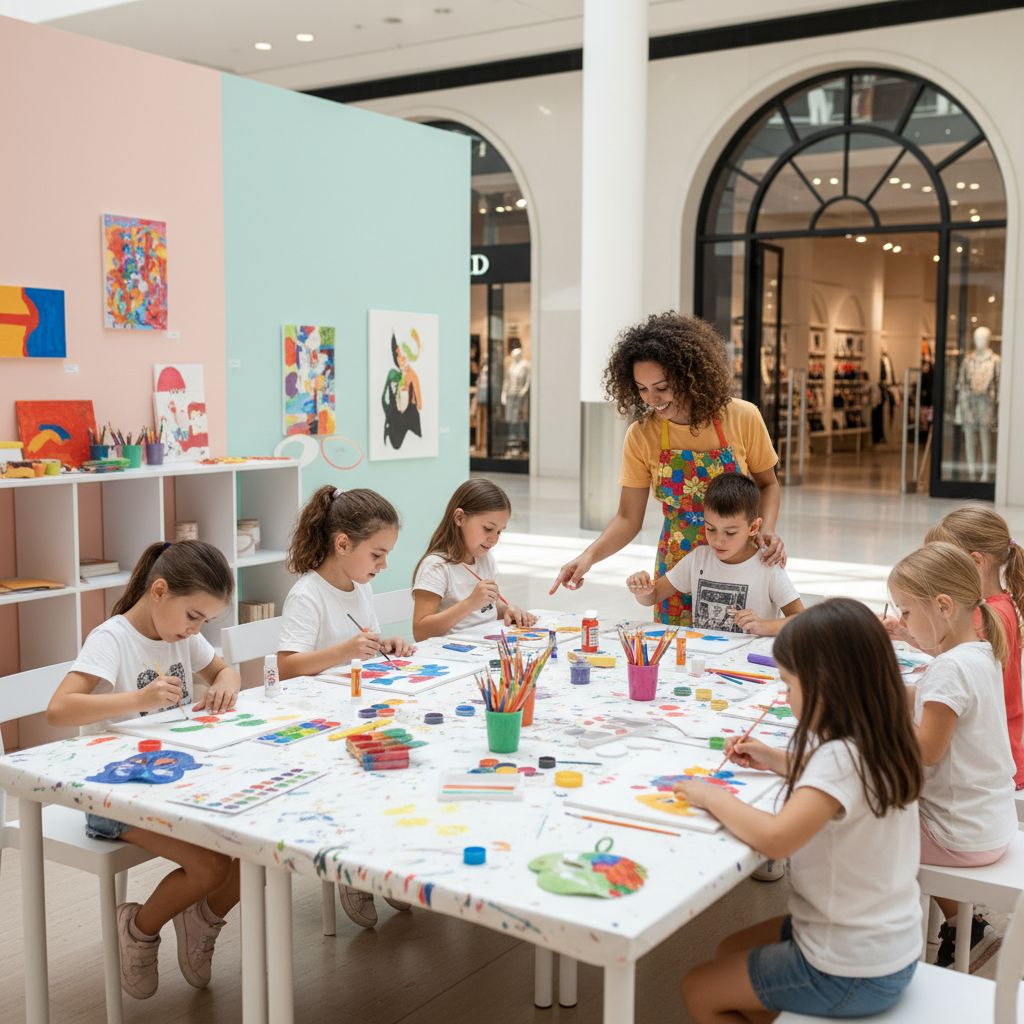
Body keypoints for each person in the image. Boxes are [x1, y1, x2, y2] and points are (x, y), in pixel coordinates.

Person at [676, 599, 923, 1021]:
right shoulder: (883, 739)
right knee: (730, 950)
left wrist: (711, 796)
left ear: (824, 686)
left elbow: (777, 838)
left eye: (788, 685)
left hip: (847, 966)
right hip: (889, 944)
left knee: (699, 988)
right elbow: (842, 786)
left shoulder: (839, 759)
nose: (785, 696)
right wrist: (774, 759)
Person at [47, 541, 241, 1000]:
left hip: (175, 781)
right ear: (159, 591)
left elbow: (225, 671)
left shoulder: (183, 636)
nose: (197, 630)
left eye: (206, 622)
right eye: (193, 616)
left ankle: (200, 920)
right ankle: (138, 928)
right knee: (211, 865)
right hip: (112, 795)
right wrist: (138, 699)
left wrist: (225, 686)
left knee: (252, 850)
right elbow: (58, 709)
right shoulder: (111, 638)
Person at [551, 312, 784, 625]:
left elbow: (768, 484)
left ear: (690, 375)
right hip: (677, 567)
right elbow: (627, 517)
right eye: (642, 389)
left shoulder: (742, 417)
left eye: (661, 386)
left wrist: (766, 529)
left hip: (740, 561)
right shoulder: (642, 435)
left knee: (739, 644)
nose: (653, 399)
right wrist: (588, 557)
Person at [276, 486, 415, 929]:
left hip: (354, 707)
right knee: (365, 778)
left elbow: (365, 647)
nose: (383, 565)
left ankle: (380, 858)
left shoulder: (359, 588)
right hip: (315, 722)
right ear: (342, 544)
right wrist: (345, 651)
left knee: (399, 767)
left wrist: (383, 645)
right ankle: (354, 872)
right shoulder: (308, 594)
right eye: (377, 554)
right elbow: (288, 666)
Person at [888, 542, 1017, 968]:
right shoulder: (980, 652)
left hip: (959, 836)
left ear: (943, 606)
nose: (904, 623)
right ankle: (964, 923)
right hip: (991, 823)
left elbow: (926, 750)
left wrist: (875, 732)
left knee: (869, 818)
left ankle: (874, 935)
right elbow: (930, 700)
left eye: (906, 613)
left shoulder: (949, 668)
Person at [626, 473, 804, 636]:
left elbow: (802, 620)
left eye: (730, 533)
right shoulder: (698, 559)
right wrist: (643, 591)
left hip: (748, 664)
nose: (718, 541)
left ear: (753, 528)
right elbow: (654, 596)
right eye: (711, 529)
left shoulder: (767, 566)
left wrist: (764, 626)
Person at [925, 506, 1024, 790]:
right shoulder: (999, 604)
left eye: (942, 568)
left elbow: (955, 658)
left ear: (975, 562)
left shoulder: (985, 615)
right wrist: (910, 635)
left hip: (989, 761)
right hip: (1003, 746)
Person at [412, 478, 535, 641]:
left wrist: (507, 610)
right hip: (450, 655)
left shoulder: (484, 559)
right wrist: (470, 603)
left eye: (499, 532)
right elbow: (420, 632)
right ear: (459, 518)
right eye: (488, 529)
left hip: (483, 649)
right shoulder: (436, 566)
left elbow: (487, 607)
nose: (494, 539)